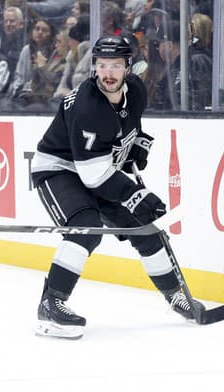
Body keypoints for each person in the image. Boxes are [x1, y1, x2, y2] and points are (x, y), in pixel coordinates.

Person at [31, 35, 203, 340]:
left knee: (146, 229)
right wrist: (136, 195)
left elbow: (128, 126)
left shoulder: (135, 89)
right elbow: (92, 176)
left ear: (127, 68)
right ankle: (51, 304)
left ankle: (177, 297)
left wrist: (136, 145)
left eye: (115, 65)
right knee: (86, 226)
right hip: (59, 169)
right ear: (94, 67)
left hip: (100, 168)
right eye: (102, 65)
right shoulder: (87, 106)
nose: (108, 73)